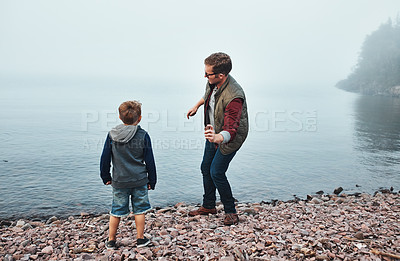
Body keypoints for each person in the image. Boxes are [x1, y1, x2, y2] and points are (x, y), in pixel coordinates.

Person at [186, 52, 249, 226]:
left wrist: (217, 137)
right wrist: (197, 106)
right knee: (205, 167)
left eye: (208, 74)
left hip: (229, 137)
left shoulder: (234, 96)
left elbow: (232, 130)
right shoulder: (213, 81)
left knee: (217, 172)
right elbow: (207, 95)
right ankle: (208, 206)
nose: (204, 76)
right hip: (214, 132)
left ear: (221, 75)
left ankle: (231, 212)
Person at [100, 100, 157, 249]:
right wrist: (152, 180)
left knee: (116, 211)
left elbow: (105, 158)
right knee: (139, 210)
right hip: (139, 180)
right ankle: (140, 239)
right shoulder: (143, 135)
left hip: (119, 181)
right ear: (140, 118)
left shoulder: (112, 135)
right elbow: (149, 160)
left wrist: (105, 176)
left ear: (119, 117)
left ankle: (111, 240)